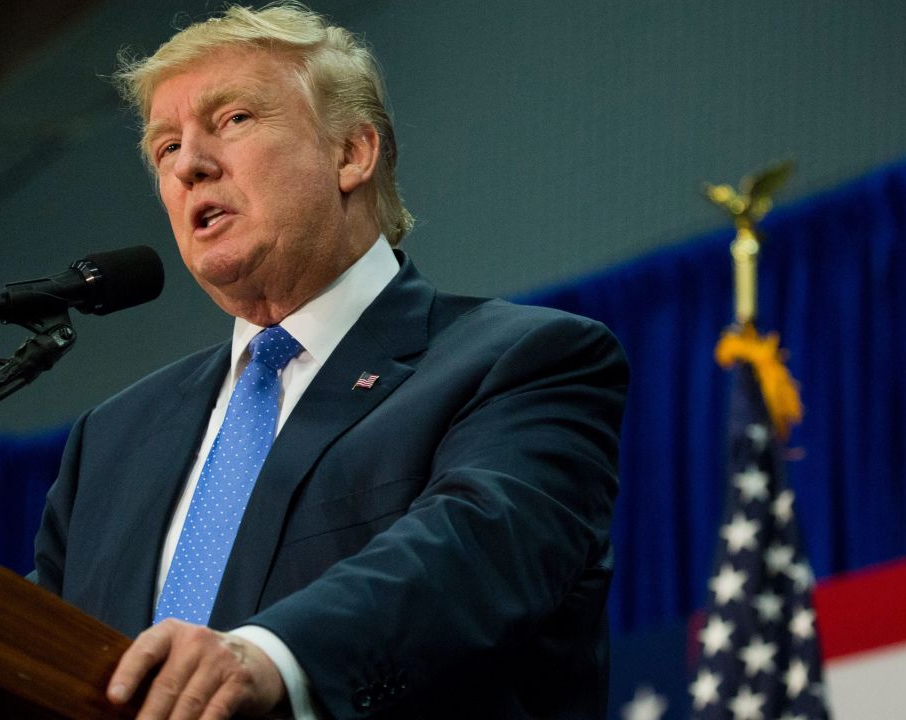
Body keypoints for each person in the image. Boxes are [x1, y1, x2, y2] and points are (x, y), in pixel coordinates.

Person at [33, 3, 628, 719]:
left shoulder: (522, 361)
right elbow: (32, 647)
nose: (189, 164)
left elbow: (474, 553)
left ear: (352, 153)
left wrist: (271, 655)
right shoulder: (113, 439)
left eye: (234, 121)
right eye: (165, 148)